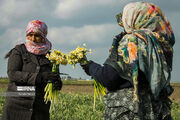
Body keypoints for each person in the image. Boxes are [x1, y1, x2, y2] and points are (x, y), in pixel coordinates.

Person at [80, 2, 175, 120]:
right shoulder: (162, 42)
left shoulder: (133, 41)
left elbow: (109, 78)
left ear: (135, 18)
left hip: (130, 110)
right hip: (157, 110)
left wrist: (91, 67)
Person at [2, 20, 62, 120]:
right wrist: (39, 77)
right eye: (30, 35)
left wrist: (57, 84)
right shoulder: (19, 51)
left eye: (37, 35)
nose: (33, 38)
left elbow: (56, 78)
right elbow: (12, 74)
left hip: (39, 109)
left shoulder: (52, 56)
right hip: (17, 105)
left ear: (44, 36)